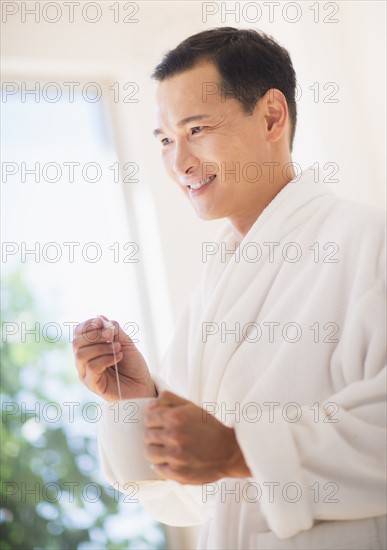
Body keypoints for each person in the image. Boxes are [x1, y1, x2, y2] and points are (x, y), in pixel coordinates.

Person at [72, 28, 386, 549]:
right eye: (167, 140)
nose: (180, 163)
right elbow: (189, 491)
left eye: (197, 130)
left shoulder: (369, 244)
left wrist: (238, 452)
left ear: (270, 116)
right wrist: (136, 397)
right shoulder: (216, 288)